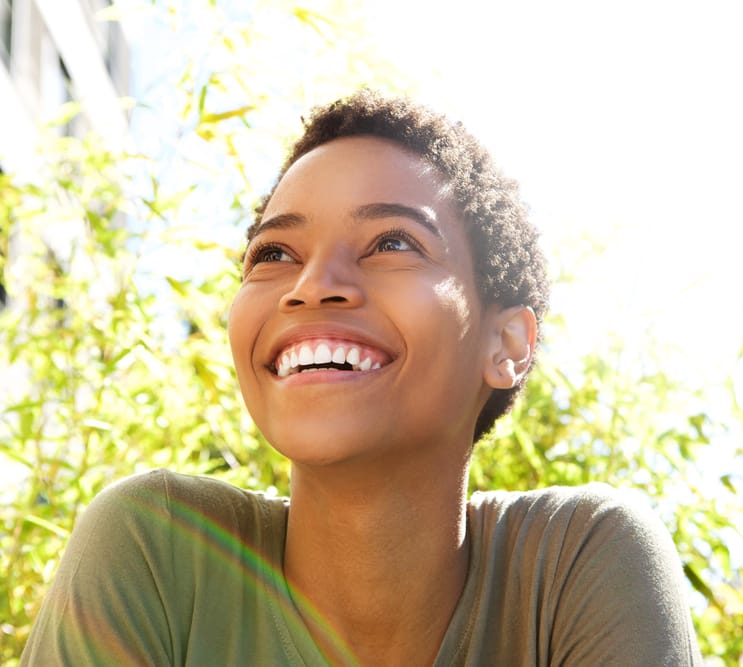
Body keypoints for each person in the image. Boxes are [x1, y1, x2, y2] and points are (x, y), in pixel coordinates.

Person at [21, 90, 703, 666]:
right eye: (276, 252)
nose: (313, 285)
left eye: (393, 242)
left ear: (507, 343)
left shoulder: (578, 566)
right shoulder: (156, 549)